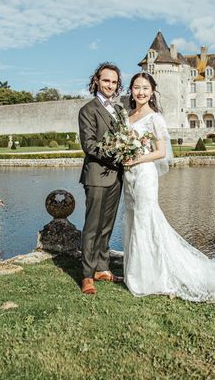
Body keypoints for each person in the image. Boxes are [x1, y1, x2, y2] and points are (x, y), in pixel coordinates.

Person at [122, 72, 215, 303]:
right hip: (129, 176)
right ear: (131, 90)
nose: (140, 92)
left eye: (145, 88)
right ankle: (137, 271)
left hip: (144, 174)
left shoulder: (155, 118)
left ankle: (150, 277)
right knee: (133, 219)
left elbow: (161, 152)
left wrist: (136, 159)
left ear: (152, 92)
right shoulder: (128, 115)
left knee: (146, 220)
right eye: (136, 87)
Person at [78, 62, 126, 295]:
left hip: (116, 176)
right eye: (106, 80)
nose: (110, 85)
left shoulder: (118, 111)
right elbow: (88, 145)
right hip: (97, 175)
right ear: (97, 80)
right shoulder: (88, 110)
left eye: (114, 82)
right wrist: (116, 154)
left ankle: (102, 268)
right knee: (92, 227)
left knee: (107, 226)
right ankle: (87, 275)